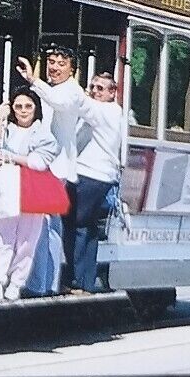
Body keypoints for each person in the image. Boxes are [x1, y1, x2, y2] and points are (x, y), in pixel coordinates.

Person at [0, 86, 60, 299]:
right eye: (18, 106)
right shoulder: (8, 129)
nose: (23, 111)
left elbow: (40, 161)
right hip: (8, 189)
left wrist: (13, 158)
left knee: (26, 241)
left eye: (28, 106)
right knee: (2, 236)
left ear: (35, 108)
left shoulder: (43, 134)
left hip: (32, 189)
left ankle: (15, 284)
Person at [15, 43, 88, 286]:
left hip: (56, 167)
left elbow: (59, 103)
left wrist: (34, 81)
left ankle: (42, 284)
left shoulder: (72, 91)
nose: (55, 68)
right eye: (52, 62)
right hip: (44, 163)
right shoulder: (52, 89)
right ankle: (46, 282)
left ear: (72, 69)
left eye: (61, 63)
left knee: (45, 224)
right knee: (47, 224)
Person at [69, 70, 126, 293]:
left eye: (100, 88)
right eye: (92, 87)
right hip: (94, 175)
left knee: (78, 224)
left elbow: (82, 104)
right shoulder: (100, 111)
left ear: (113, 92)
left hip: (93, 175)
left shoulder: (109, 111)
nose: (94, 91)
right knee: (88, 227)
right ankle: (86, 280)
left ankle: (77, 279)